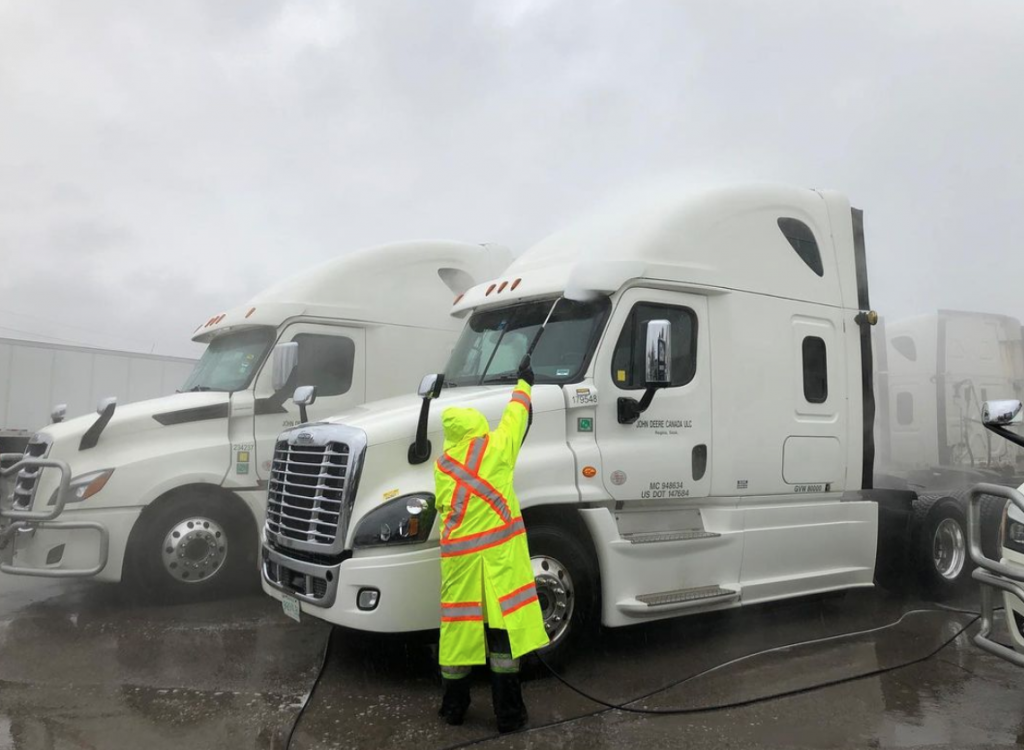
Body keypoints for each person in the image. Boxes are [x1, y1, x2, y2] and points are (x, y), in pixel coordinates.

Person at [435, 356, 549, 732]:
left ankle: (453, 709)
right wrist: (524, 383)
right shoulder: (496, 449)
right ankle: (509, 716)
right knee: (502, 647)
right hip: (498, 566)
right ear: (478, 428)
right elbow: (517, 418)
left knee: (457, 642)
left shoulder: (442, 467)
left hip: (461, 569)